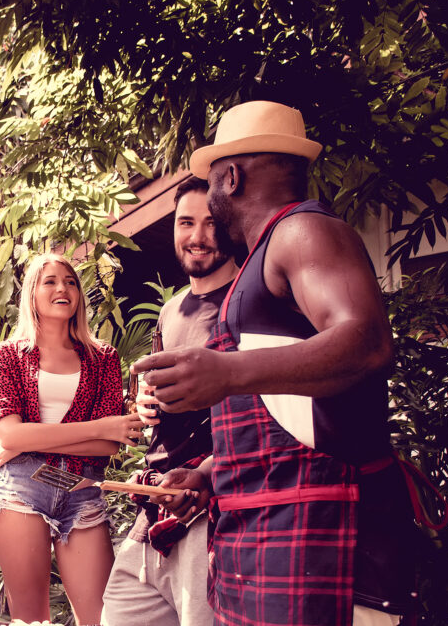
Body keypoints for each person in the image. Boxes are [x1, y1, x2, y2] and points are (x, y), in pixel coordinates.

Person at [133, 100, 419, 626]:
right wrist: (210, 470)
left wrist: (225, 372)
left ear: (231, 177)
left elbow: (368, 341)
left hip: (323, 529)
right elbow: (293, 409)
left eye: (212, 183)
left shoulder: (301, 232)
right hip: (268, 532)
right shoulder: (262, 259)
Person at [101, 175, 237, 626]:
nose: (196, 237)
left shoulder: (248, 302)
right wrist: (144, 398)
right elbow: (160, 384)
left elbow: (268, 410)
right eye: (185, 222)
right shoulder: (171, 309)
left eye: (210, 223)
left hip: (208, 507)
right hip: (155, 500)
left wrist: (207, 474)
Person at [0, 254, 145, 626]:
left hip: (83, 489)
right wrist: (100, 426)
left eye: (71, 282)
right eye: (51, 281)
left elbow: (110, 446)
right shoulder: (7, 355)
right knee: (30, 621)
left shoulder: (103, 357)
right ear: (32, 294)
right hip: (21, 490)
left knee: (102, 619)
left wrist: (27, 439)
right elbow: (7, 432)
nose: (63, 288)